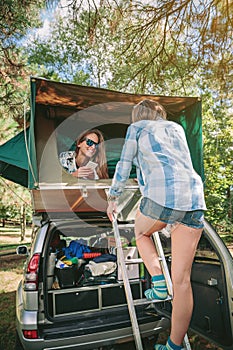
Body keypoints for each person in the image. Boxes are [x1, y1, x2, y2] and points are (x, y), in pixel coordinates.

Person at [107, 99, 206, 350]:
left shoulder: (137, 128)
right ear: (159, 113)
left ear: (138, 116)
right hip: (194, 199)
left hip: (162, 199)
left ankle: (159, 283)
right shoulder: (176, 128)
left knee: (141, 233)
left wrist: (113, 197)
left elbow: (124, 164)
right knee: (182, 281)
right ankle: (174, 346)